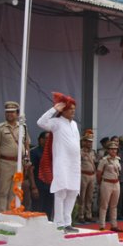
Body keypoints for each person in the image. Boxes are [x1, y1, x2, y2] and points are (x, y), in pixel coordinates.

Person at [37, 94, 81, 233]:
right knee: (60, 192)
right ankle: (59, 223)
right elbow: (40, 122)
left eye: (74, 109)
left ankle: (68, 223)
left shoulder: (74, 124)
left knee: (73, 192)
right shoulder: (56, 122)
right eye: (70, 109)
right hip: (62, 163)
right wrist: (54, 109)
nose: (73, 111)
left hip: (74, 164)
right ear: (63, 111)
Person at [0, 102, 30, 213]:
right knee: (3, 191)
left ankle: (11, 213)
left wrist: (28, 160)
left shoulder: (23, 127)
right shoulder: (0, 128)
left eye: (12, 112)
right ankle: (2, 214)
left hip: (19, 163)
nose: (10, 114)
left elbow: (26, 144)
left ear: (17, 113)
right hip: (5, 162)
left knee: (15, 190)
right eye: (7, 112)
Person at [96, 141, 123, 232]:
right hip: (106, 183)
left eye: (115, 149)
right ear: (108, 150)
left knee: (114, 205)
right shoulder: (104, 160)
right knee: (104, 205)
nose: (113, 151)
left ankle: (114, 225)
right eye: (111, 149)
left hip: (116, 183)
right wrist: (100, 183)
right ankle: (102, 225)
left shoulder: (117, 160)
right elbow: (99, 173)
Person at [30, 131, 53, 218]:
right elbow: (30, 170)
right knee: (37, 210)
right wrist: (33, 187)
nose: (48, 141)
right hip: (38, 184)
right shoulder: (34, 152)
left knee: (48, 210)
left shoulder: (52, 152)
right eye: (46, 138)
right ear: (40, 140)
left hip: (50, 185)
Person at [79, 129, 97, 223]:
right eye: (88, 142)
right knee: (82, 196)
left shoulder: (93, 152)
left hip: (92, 175)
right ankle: (81, 215)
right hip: (83, 175)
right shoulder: (80, 152)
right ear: (84, 142)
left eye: (91, 142)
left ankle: (88, 214)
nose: (90, 144)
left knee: (90, 197)